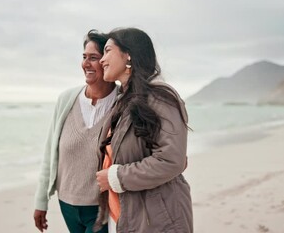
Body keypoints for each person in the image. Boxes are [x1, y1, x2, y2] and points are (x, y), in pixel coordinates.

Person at [94, 27, 193, 232]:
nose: (102, 60)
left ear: (128, 54)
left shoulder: (160, 97)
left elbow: (170, 160)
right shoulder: (124, 101)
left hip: (156, 219)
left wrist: (116, 177)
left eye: (108, 51)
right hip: (125, 215)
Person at [34, 30, 117, 233]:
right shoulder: (66, 100)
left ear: (106, 61)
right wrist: (41, 200)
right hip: (67, 204)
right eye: (84, 57)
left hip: (104, 207)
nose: (86, 64)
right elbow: (50, 152)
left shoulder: (123, 103)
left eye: (94, 58)